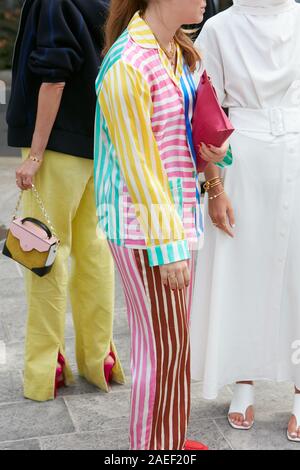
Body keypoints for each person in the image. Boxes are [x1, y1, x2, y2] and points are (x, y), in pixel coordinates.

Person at [94, 0, 230, 451]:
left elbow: (182, 134)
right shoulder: (128, 63)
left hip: (173, 218)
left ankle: (168, 440)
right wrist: (168, 248)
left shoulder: (176, 50)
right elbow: (139, 168)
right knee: (160, 349)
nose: (206, 0)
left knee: (173, 347)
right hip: (145, 229)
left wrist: (212, 158)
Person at [191, 0, 300, 442]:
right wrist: (214, 189)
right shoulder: (218, 28)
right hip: (242, 159)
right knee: (242, 273)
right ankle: (243, 379)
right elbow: (205, 113)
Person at [6, 0, 125, 402]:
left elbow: (53, 78)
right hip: (97, 146)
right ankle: (99, 358)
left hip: (56, 147)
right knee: (93, 255)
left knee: (41, 256)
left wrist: (35, 153)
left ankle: (46, 368)